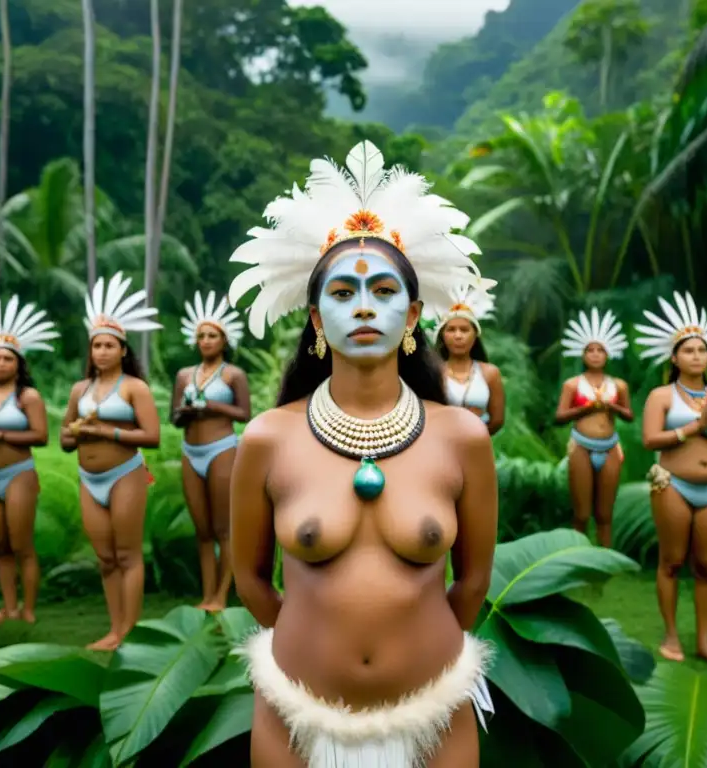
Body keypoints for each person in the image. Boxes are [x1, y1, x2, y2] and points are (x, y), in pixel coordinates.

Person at [227, 140, 498, 767]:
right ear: (317, 322)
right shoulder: (268, 437)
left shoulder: (462, 437)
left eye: (382, 290)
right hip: (297, 714)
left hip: (435, 713)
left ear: (414, 314)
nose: (365, 306)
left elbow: (473, 579)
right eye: (343, 294)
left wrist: (416, 644)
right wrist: (314, 641)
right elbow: (250, 579)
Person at [634, 291, 707, 669]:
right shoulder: (661, 395)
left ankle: (705, 642)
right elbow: (650, 439)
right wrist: (692, 429)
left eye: (702, 350)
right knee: (671, 561)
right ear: (674, 357)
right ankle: (670, 634)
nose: (697, 356)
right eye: (688, 351)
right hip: (673, 484)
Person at [59, 272, 161, 651]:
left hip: (125, 475)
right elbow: (64, 438)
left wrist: (108, 433)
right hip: (89, 477)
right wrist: (79, 433)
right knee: (104, 558)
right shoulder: (78, 390)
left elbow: (151, 436)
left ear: (122, 350)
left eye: (108, 345)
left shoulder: (136, 388)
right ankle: (114, 629)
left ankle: (129, 632)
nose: (101, 352)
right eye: (95, 346)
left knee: (126, 553)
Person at [0, 297, 57, 628]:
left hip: (18, 474)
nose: (1, 364)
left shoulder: (27, 397)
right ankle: (7, 607)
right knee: (0, 545)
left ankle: (28, 608)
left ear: (18, 363)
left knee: (21, 544)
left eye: (7, 358)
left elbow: (41, 436)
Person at [171, 290, 251, 611]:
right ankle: (206, 594)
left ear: (224, 340)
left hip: (221, 448)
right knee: (202, 529)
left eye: (212, 335)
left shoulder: (234, 375)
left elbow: (244, 414)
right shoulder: (183, 376)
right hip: (191, 449)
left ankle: (221, 594)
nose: (206, 341)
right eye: (201, 336)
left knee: (223, 527)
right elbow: (175, 417)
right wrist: (188, 411)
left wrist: (212, 405)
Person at [555, 308, 633, 547]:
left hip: (609, 447)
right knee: (581, 513)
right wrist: (585, 409)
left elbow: (629, 415)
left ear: (608, 354)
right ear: (583, 354)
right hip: (582, 445)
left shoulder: (618, 385)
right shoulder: (573, 385)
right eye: (590, 350)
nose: (596, 354)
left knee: (604, 514)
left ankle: (603, 563)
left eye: (600, 350)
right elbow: (559, 417)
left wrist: (613, 408)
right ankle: (576, 558)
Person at [429, 280, 505, 436]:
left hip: (478, 445)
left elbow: (497, 420)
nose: (458, 336)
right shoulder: (433, 372)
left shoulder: (490, 373)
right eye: (451, 330)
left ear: (475, 335)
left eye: (464, 330)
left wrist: (476, 437)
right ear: (443, 335)